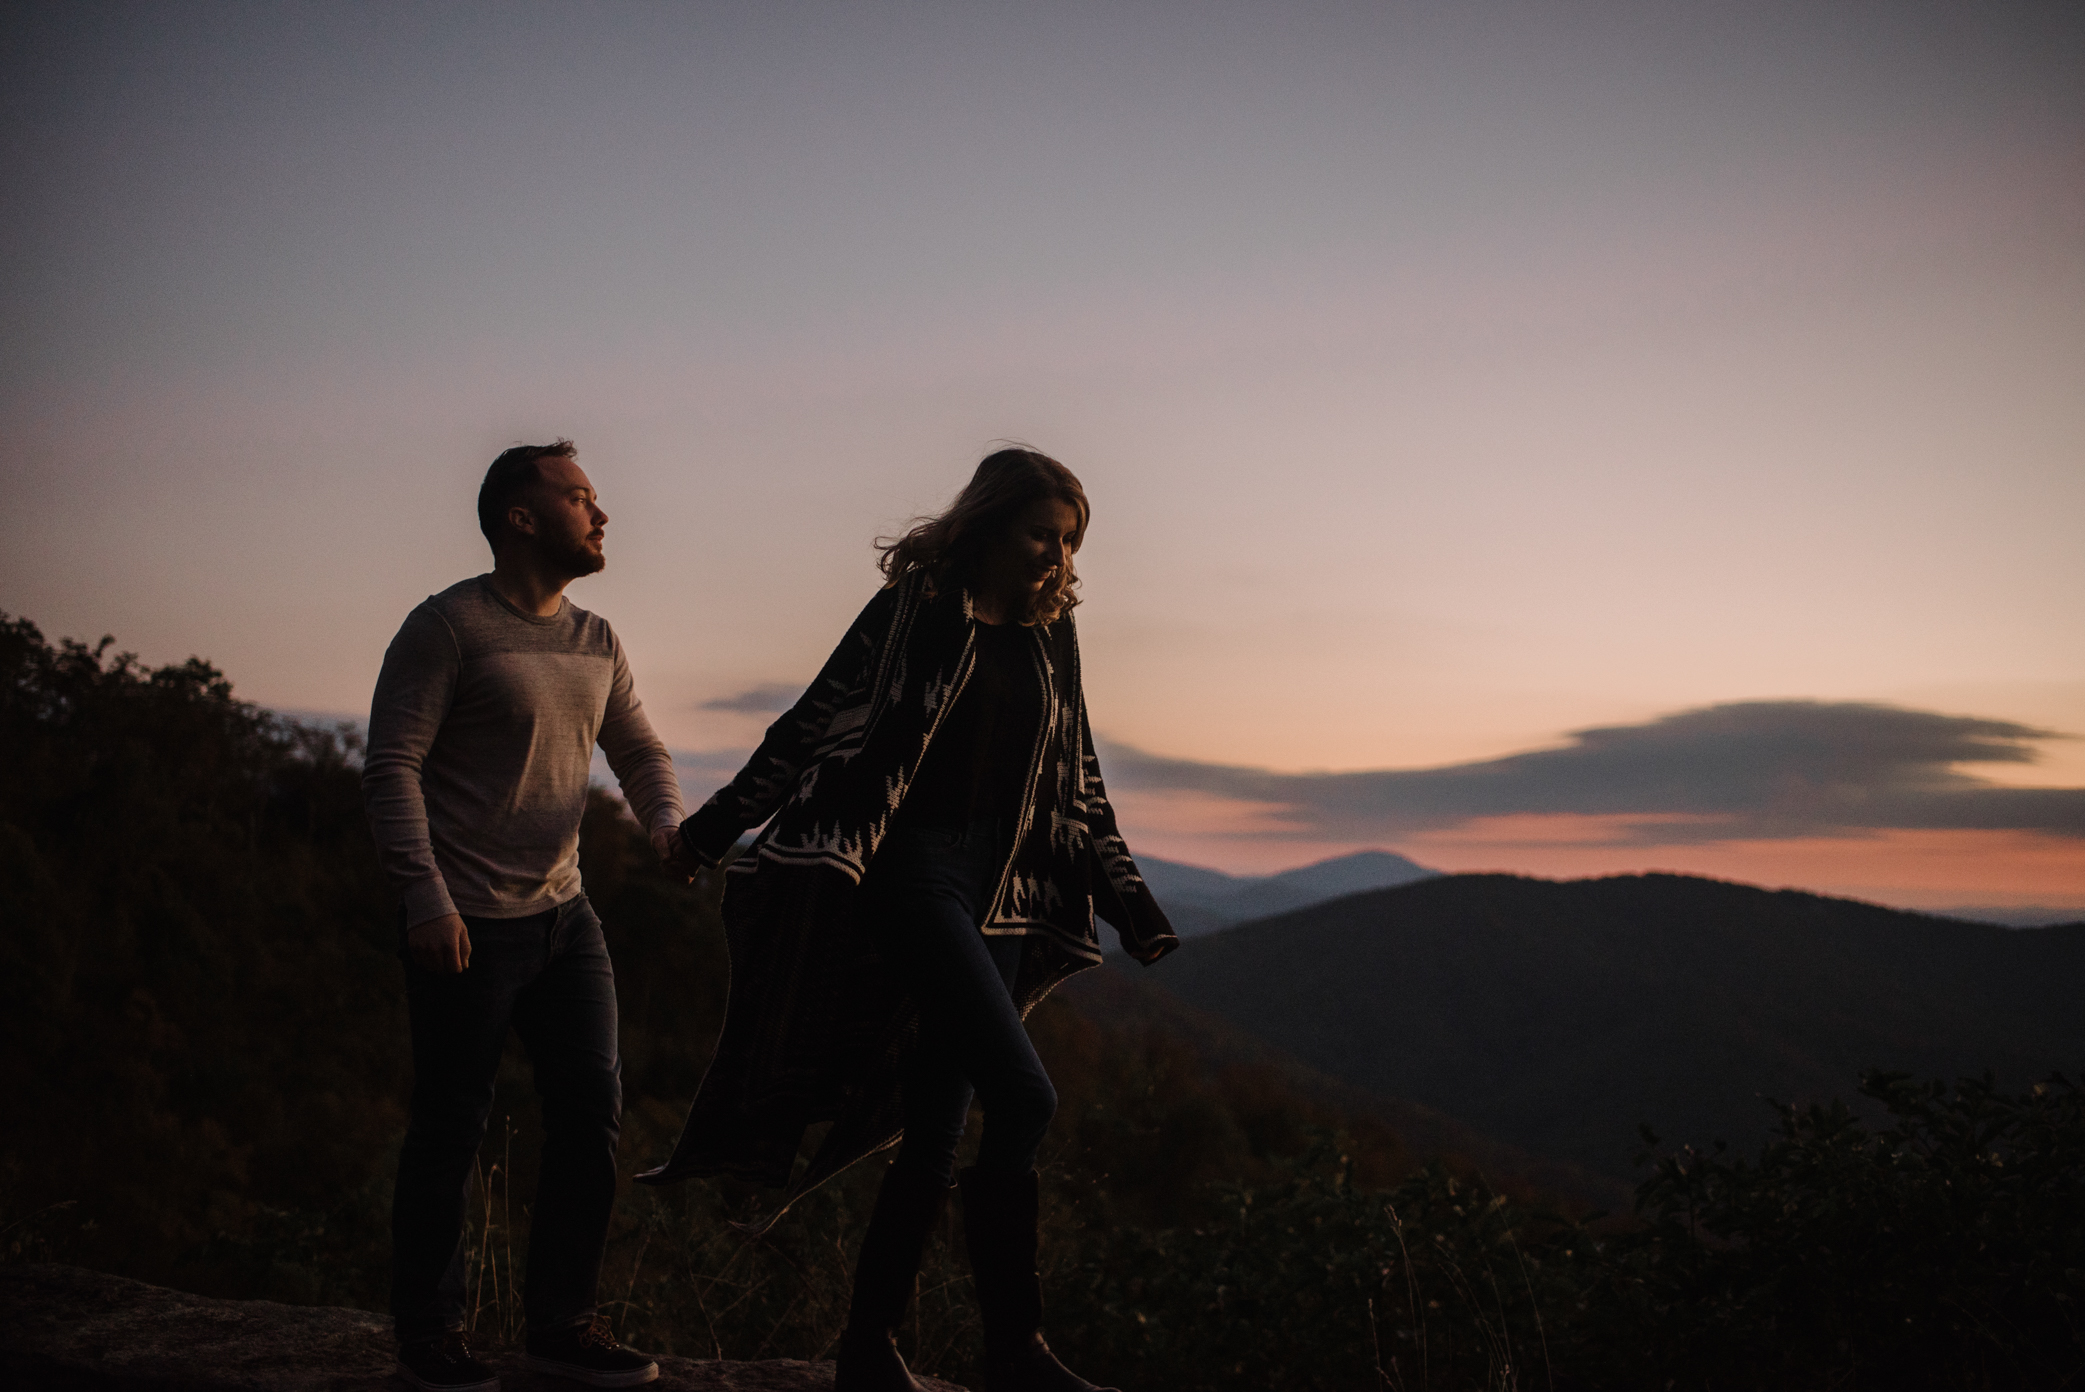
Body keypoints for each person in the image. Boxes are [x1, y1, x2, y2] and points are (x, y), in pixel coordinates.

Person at [642, 447, 1178, 1392]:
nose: (1057, 557)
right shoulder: (915, 612)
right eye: (1040, 533)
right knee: (1026, 1098)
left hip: (1007, 895)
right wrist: (714, 829)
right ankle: (1015, 1343)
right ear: (987, 524)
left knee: (938, 1128)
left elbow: (1079, 775)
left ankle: (876, 1348)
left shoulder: (1054, 635)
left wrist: (1127, 896)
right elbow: (813, 724)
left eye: (1070, 541)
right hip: (912, 874)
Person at [364, 440, 682, 1392]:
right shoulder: (447, 628)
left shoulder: (597, 637)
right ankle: (430, 1335)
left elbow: (638, 748)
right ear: (521, 517)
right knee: (452, 1127)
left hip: (564, 915)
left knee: (591, 1116)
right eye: (581, 497)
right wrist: (425, 896)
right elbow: (392, 767)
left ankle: (562, 1325)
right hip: (465, 922)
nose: (602, 513)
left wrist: (666, 823)